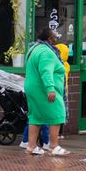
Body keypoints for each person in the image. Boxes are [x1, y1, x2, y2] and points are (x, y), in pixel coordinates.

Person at [24, 27, 69, 156]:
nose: (56, 39)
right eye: (55, 37)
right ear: (49, 39)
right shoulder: (46, 52)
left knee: (35, 116)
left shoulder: (34, 48)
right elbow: (46, 72)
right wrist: (50, 89)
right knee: (58, 113)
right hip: (43, 89)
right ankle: (53, 146)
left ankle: (31, 147)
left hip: (32, 87)